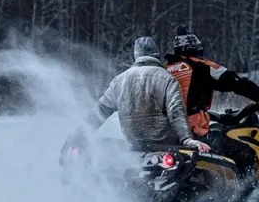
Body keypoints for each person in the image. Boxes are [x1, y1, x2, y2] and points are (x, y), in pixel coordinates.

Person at [163, 26, 259, 151]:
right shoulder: (202, 66)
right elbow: (236, 83)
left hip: (162, 133)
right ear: (195, 50)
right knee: (246, 152)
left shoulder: (163, 68)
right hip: (193, 131)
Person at [82, 36, 211, 152]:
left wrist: (79, 135)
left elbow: (101, 111)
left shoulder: (119, 80)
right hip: (165, 144)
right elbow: (176, 112)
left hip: (133, 144)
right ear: (156, 54)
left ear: (136, 55)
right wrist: (187, 139)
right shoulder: (167, 78)